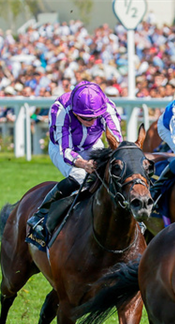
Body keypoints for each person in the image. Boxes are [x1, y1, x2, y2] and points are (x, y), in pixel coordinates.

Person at [26, 81, 123, 247]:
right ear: (75, 112)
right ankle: (40, 215)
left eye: (94, 117)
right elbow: (66, 150)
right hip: (61, 148)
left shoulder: (107, 107)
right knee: (79, 176)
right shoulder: (61, 109)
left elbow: (116, 140)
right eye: (85, 118)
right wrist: (84, 164)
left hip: (92, 145)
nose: (91, 121)